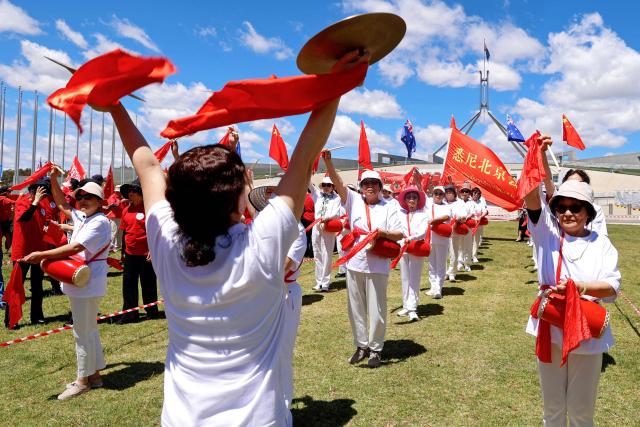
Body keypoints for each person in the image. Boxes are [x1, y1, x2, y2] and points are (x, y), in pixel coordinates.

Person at [109, 49, 368, 425]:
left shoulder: (165, 242)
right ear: (238, 193)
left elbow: (147, 166)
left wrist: (114, 104)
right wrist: (338, 83)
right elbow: (306, 152)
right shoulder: (263, 241)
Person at [523, 135, 620, 426]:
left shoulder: (601, 243)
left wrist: (580, 288)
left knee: (581, 410)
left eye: (576, 208)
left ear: (587, 213)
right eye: (562, 207)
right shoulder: (546, 235)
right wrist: (535, 156)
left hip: (587, 330)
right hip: (551, 325)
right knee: (552, 407)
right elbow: (532, 195)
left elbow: (613, 287)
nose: (567, 212)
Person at [21, 167, 111, 400]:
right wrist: (53, 179)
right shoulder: (85, 216)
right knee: (88, 328)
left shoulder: (99, 222)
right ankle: (95, 375)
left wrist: (42, 254)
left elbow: (75, 247)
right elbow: (62, 204)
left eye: (88, 197)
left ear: (99, 201)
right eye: (79, 196)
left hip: (87, 279)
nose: (81, 201)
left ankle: (82, 380)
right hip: (81, 277)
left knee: (82, 331)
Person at [324, 153, 403, 368]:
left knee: (377, 308)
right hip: (354, 263)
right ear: (361, 187)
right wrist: (329, 162)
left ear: (379, 186)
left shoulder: (390, 206)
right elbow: (338, 183)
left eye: (374, 183)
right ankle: (361, 345)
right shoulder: (353, 201)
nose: (370, 187)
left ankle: (376, 349)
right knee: (355, 307)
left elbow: (400, 233)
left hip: (377, 264)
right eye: (366, 183)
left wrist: (382, 233)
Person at [4, 181, 49, 326]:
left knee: (37, 286)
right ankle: (11, 319)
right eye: (41, 191)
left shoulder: (42, 206)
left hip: (38, 251)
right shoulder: (21, 203)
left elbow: (41, 222)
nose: (44, 195)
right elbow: (24, 218)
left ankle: (37, 316)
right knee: (17, 286)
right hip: (22, 252)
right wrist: (35, 202)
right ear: (33, 191)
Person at [117, 179, 160, 323]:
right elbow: (125, 232)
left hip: (145, 253)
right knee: (128, 283)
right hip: (130, 253)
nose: (131, 194)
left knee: (148, 282)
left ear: (142, 194)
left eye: (134, 191)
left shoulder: (149, 209)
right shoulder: (126, 210)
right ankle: (130, 313)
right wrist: (123, 251)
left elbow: (156, 231)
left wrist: (152, 249)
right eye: (129, 191)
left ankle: (152, 311)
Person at [396, 185, 429, 321]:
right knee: (405, 278)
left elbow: (423, 231)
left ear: (418, 200)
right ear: (405, 200)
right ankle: (406, 305)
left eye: (414, 197)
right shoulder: (400, 213)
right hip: (403, 248)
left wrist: (411, 237)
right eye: (409, 197)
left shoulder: (423, 214)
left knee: (414, 278)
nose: (411, 200)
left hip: (416, 246)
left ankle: (413, 308)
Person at [309, 176, 341, 291]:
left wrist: (326, 218)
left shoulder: (337, 198)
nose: (326, 187)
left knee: (327, 254)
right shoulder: (317, 194)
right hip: (316, 226)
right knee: (317, 253)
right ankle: (318, 282)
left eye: (329, 185)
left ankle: (325, 283)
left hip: (328, 226)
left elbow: (336, 213)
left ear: (333, 186)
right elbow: (308, 183)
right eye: (324, 185)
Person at [561, 169, 608, 237]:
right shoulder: (556, 207)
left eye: (576, 208)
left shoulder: (596, 209)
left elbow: (600, 235)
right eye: (561, 208)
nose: (567, 213)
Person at [425, 186, 451, 299]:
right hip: (430, 239)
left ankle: (439, 288)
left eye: (440, 193)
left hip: (442, 239)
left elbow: (446, 217)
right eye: (436, 193)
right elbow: (421, 192)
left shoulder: (446, 206)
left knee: (441, 264)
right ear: (433, 194)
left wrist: (434, 221)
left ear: (444, 195)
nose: (438, 195)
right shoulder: (428, 204)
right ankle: (433, 286)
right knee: (431, 264)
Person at [445, 184, 470, 281]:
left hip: (454, 231)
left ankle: (452, 272)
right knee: (444, 254)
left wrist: (460, 218)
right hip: (442, 231)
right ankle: (445, 271)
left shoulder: (459, 203)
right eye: (447, 193)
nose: (449, 194)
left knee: (453, 252)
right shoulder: (443, 202)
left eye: (450, 192)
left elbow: (464, 216)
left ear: (454, 193)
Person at [470, 187, 488, 263]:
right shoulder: (469, 202)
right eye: (474, 193)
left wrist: (481, 216)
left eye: (477, 194)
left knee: (476, 241)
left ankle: (474, 256)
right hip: (470, 223)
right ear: (472, 194)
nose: (476, 195)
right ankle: (467, 255)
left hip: (478, 223)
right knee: (468, 240)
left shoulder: (481, 202)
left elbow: (485, 211)